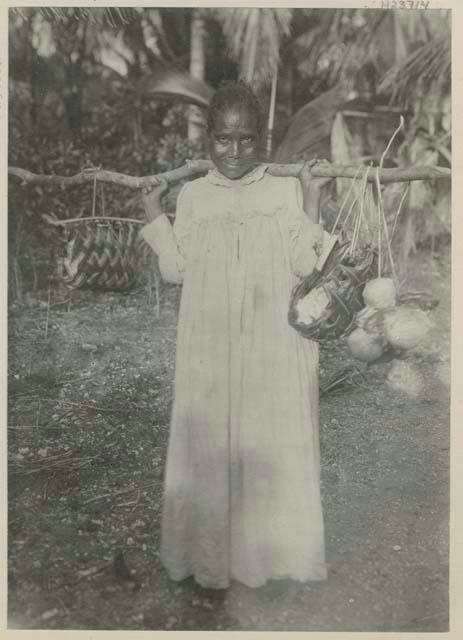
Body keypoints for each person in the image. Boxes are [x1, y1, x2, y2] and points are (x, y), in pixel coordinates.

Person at [140, 81, 332, 590]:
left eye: (246, 140)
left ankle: (270, 555)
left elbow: (305, 261)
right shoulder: (196, 195)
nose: (234, 151)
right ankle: (211, 556)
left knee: (268, 432)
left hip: (271, 340)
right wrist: (153, 211)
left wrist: (312, 200)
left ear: (261, 140)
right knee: (213, 434)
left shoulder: (283, 188)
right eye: (224, 140)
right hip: (212, 341)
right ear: (208, 140)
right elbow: (175, 269)